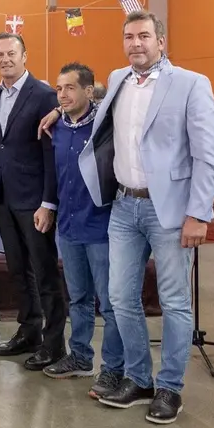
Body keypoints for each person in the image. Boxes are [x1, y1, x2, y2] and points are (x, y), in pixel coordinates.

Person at [43, 11, 214, 424]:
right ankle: (139, 379)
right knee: (120, 299)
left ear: (160, 39)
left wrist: (199, 214)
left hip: (169, 210)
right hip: (122, 206)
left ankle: (170, 387)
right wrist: (57, 110)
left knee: (174, 303)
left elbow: (207, 155)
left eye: (143, 35)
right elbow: (91, 107)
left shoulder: (192, 84)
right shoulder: (119, 78)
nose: (135, 43)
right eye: (128, 36)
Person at [0, 32, 67, 371]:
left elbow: (51, 155)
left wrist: (48, 203)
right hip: (3, 198)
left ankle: (54, 345)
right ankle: (29, 331)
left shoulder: (45, 95)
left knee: (45, 272)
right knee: (19, 272)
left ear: (24, 55)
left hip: (34, 201)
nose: (5, 59)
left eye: (11, 53)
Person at [44, 62, 123, 397]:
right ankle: (80, 357)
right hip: (68, 227)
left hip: (101, 227)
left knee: (110, 303)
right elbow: (53, 173)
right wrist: (48, 206)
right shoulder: (55, 128)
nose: (63, 94)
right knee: (78, 298)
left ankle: (114, 369)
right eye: (59, 89)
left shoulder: (108, 125)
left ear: (89, 92)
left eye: (70, 88)